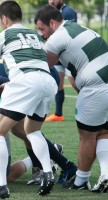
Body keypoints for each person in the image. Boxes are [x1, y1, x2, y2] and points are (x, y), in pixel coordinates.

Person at [0, 1, 58, 198]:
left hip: (26, 82)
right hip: (47, 81)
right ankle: (47, 172)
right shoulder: (35, 34)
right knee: (32, 130)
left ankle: (1, 185)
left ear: (3, 18)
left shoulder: (2, 36)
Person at [35, 4, 108, 192]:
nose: (42, 34)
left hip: (96, 84)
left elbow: (43, 65)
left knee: (87, 135)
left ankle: (81, 180)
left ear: (52, 23)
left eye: (42, 29)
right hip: (102, 79)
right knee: (103, 131)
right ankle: (106, 173)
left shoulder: (57, 37)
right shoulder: (76, 27)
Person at [45, 0, 77, 122]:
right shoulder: (48, 12)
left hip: (68, 53)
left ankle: (93, 104)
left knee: (75, 83)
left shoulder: (68, 12)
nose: (51, 1)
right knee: (58, 84)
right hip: (56, 52)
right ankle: (58, 114)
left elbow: (67, 32)